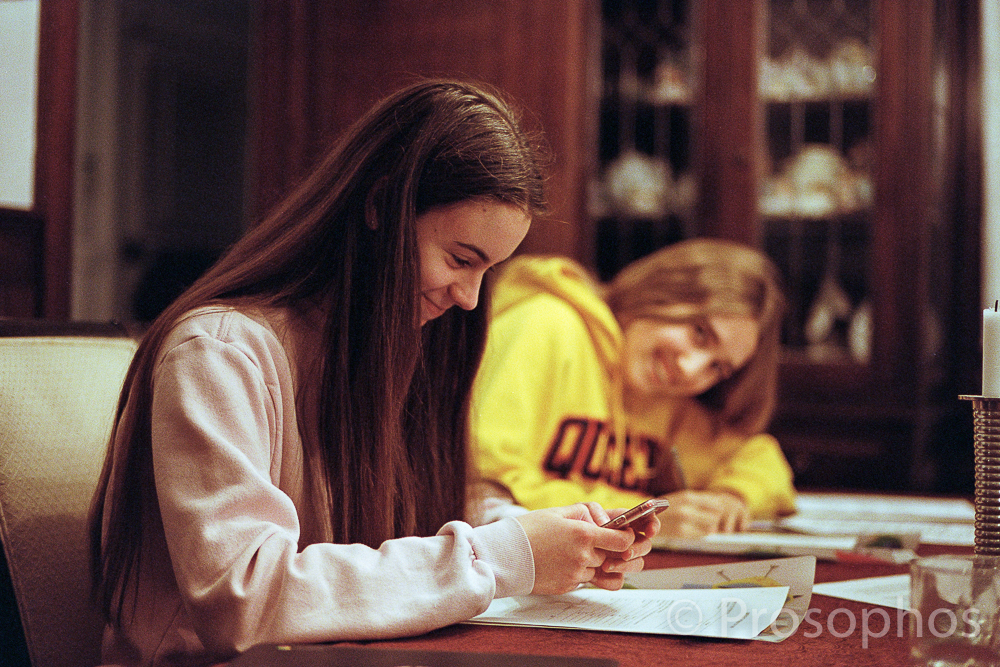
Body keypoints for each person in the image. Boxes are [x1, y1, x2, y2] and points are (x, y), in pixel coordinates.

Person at [88, 79, 658, 667]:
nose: (469, 297)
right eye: (461, 260)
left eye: (488, 271)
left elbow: (423, 511)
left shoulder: (394, 345)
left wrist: (538, 532)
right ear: (380, 208)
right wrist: (503, 555)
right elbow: (245, 599)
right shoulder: (219, 353)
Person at [470, 238, 797, 539]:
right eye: (699, 332)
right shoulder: (545, 323)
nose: (690, 369)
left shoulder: (669, 397)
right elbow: (482, 479)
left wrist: (731, 496)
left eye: (718, 367)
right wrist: (638, 517)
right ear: (662, 290)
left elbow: (763, 459)